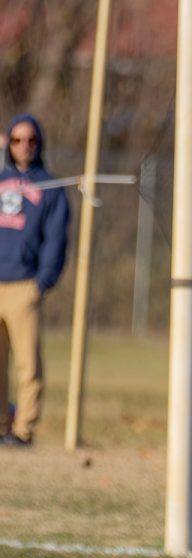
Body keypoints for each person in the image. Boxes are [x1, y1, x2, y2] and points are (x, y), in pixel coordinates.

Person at [0, 114, 70, 447]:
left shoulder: (50, 187)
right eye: (16, 140)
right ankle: (1, 425)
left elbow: (56, 239)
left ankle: (23, 430)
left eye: (30, 140)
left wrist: (42, 281)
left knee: (28, 365)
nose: (23, 147)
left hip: (24, 286)